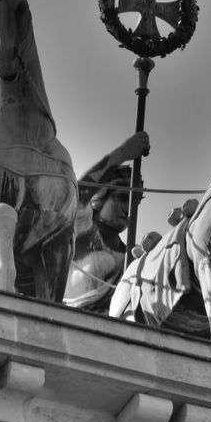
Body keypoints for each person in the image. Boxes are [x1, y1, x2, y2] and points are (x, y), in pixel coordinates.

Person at [64, 130, 149, 311]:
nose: (129, 209)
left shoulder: (129, 255)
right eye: (123, 198)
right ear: (102, 195)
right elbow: (76, 196)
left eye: (135, 203)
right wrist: (123, 153)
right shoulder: (83, 225)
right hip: (67, 319)